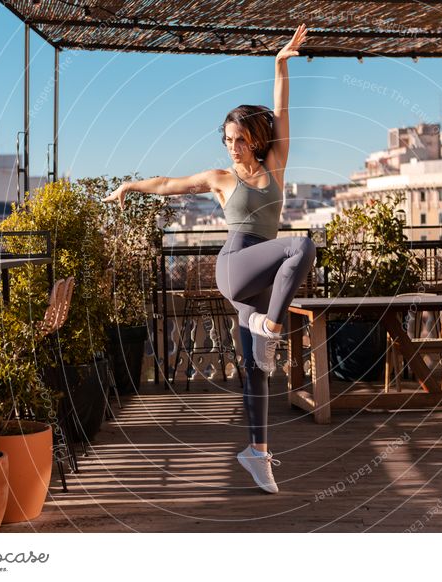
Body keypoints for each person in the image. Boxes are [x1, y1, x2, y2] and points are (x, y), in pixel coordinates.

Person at [103, 24, 315, 494]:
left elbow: (281, 109)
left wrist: (280, 62)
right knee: (301, 245)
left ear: (256, 139)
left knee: (256, 369)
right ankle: (272, 329)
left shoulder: (275, 165)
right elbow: (167, 184)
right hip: (234, 266)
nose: (232, 146)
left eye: (239, 139)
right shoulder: (220, 178)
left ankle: (257, 453)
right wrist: (129, 186)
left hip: (258, 281)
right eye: (227, 140)